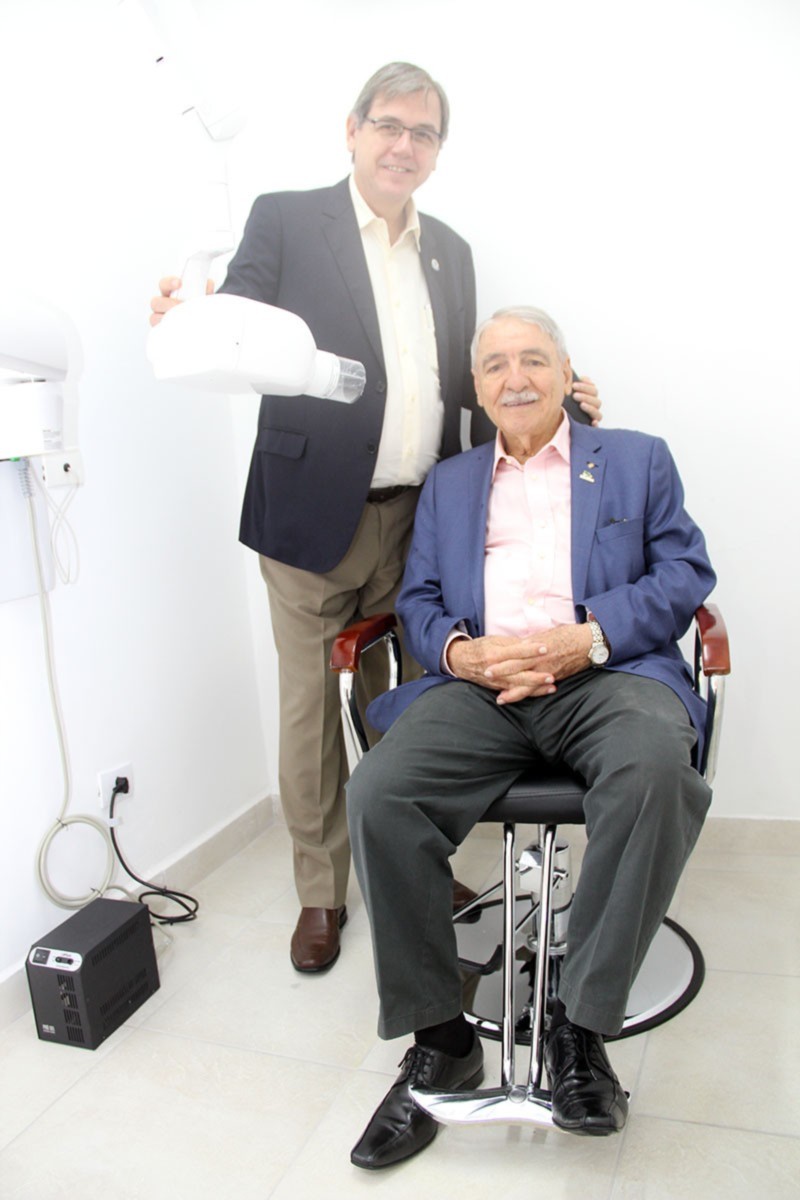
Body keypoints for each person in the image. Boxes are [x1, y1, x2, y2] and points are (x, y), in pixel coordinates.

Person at [150, 64, 602, 975]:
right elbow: (235, 318)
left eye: (423, 134)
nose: (404, 145)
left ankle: (411, 861)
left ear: (437, 152)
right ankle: (321, 889)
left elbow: (471, 390)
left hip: (423, 517)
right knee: (312, 709)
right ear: (352, 131)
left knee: (411, 702)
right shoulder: (287, 219)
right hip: (310, 516)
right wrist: (188, 316)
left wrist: (560, 418)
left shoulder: (451, 252)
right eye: (389, 126)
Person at [346, 306, 715, 1169]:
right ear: (478, 388)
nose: (516, 378)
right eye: (496, 365)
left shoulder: (636, 458)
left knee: (656, 771)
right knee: (380, 794)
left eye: (534, 360)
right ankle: (441, 1041)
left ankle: (579, 1029)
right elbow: (419, 598)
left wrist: (587, 638)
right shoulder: (450, 483)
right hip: (484, 687)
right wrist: (461, 654)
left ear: (565, 372)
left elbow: (685, 572)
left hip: (607, 673)